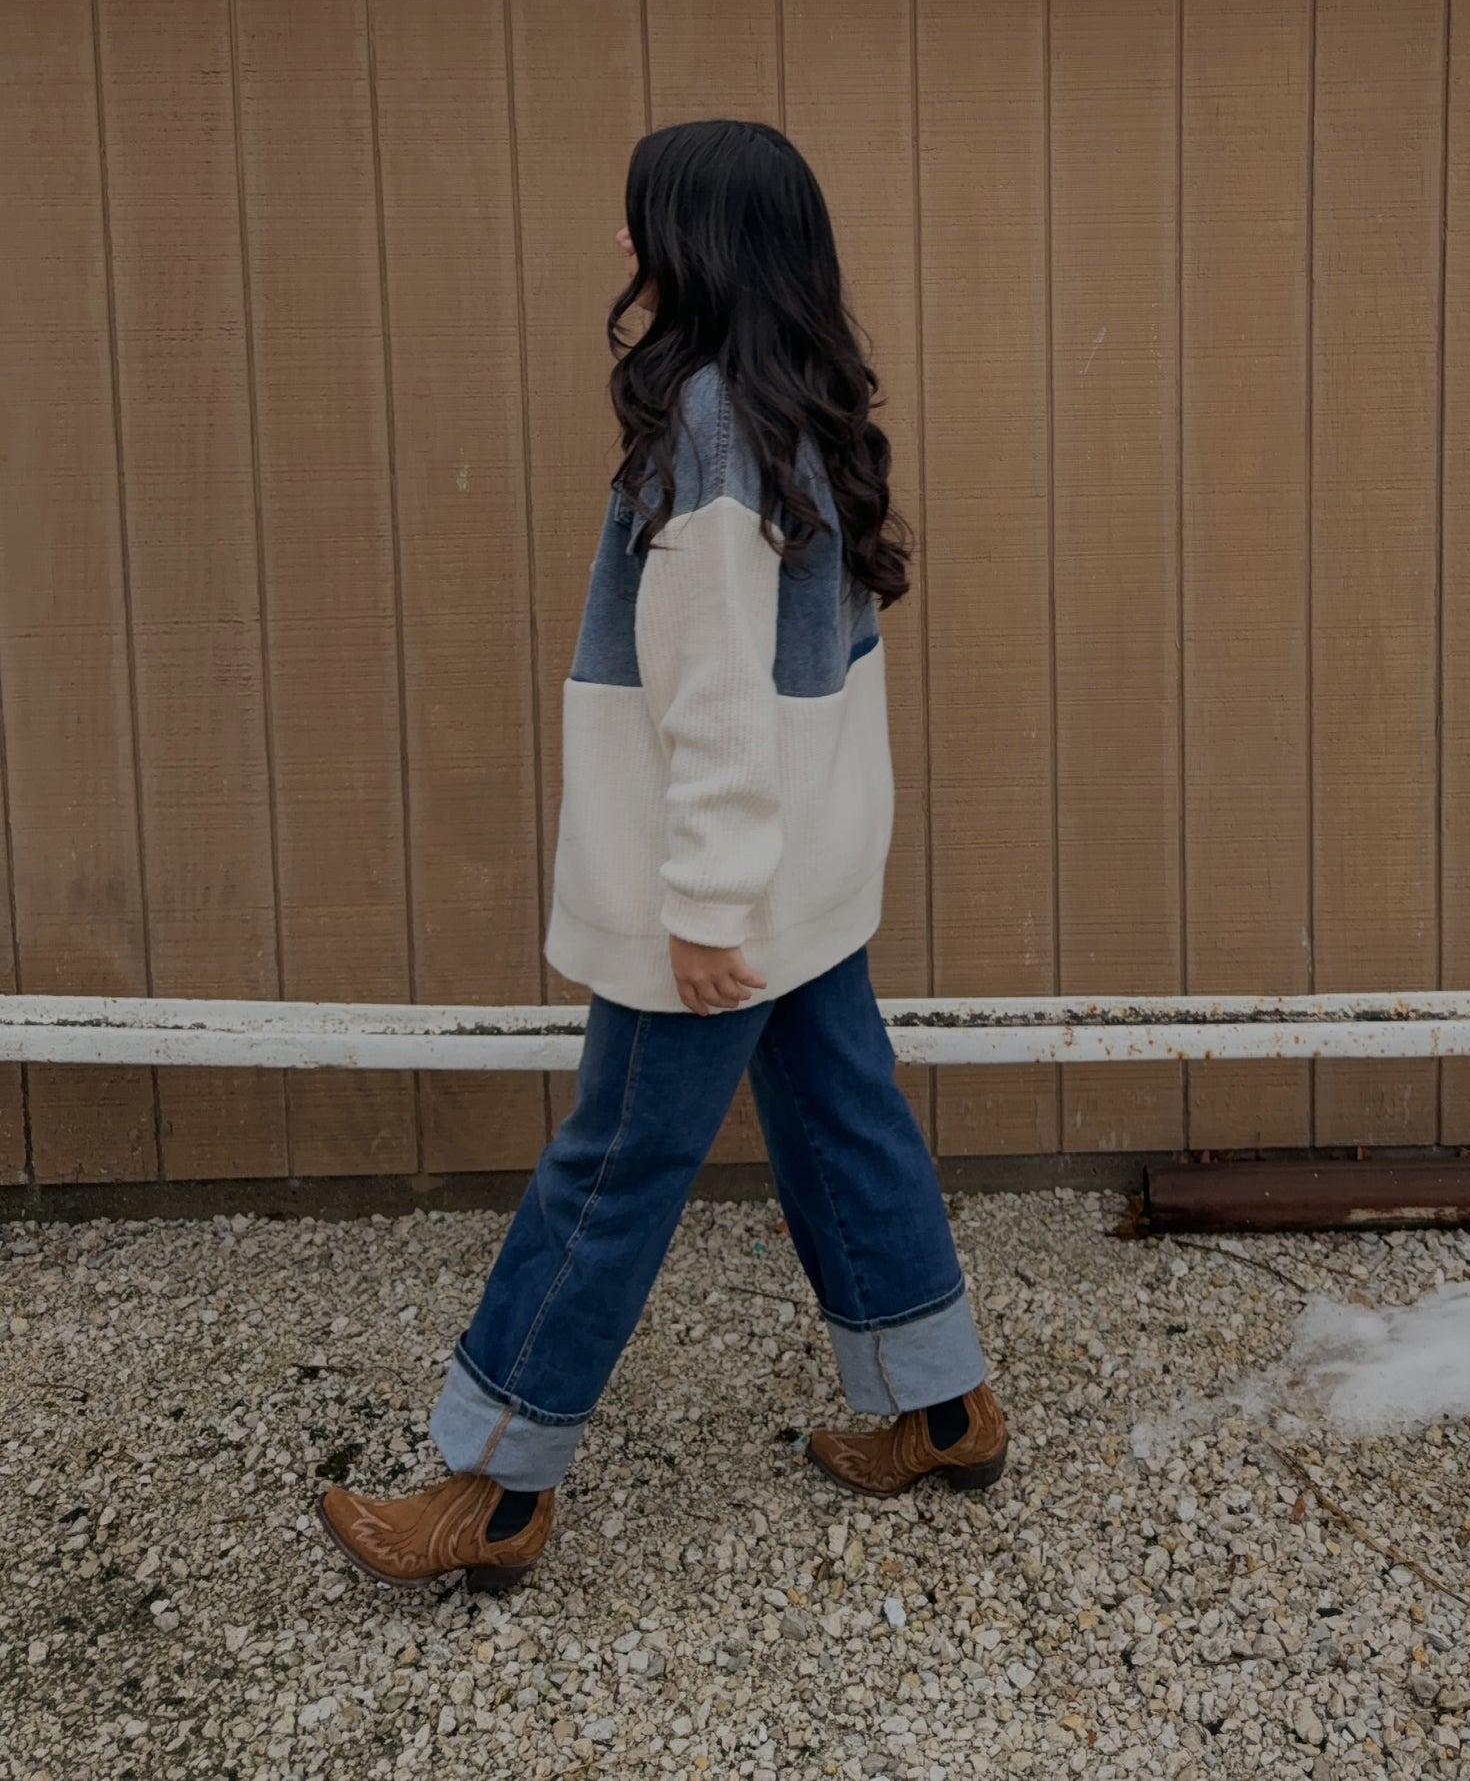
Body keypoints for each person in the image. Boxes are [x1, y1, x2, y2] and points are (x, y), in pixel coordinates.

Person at [320, 119, 1005, 1593]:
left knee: (613, 1165)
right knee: (842, 1119)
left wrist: (699, 904)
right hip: (802, 870)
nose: (623, 241)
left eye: (642, 217)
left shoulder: (710, 422)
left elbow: (719, 702)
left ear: (700, 240)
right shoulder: (793, 400)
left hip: (726, 887)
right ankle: (943, 1407)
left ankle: (493, 1488)